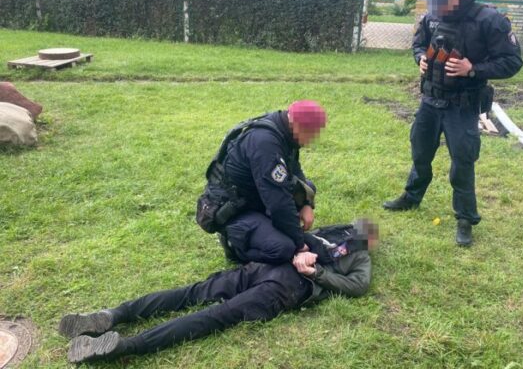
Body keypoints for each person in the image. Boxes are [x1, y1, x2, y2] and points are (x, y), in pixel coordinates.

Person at [59, 220, 377, 363]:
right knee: (208, 305)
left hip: (291, 282)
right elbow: (299, 237)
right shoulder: (336, 235)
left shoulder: (359, 255)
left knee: (208, 304)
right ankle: (117, 324)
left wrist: (316, 272)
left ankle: (119, 332)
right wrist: (300, 250)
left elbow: (358, 286)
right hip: (272, 269)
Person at [383, 0, 523, 246]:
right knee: (420, 151)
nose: (436, 8)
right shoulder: (432, 16)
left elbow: (512, 62)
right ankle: (412, 197)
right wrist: (420, 58)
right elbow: (418, 44)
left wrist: (473, 69)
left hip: (462, 105)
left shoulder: (490, 20)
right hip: (430, 100)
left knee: (462, 162)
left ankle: (465, 218)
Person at [196, 100, 327, 264]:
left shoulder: (285, 130)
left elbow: (294, 170)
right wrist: (300, 245)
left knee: (308, 188)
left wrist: (307, 203)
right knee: (284, 248)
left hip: (256, 195)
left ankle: (267, 229)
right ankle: (234, 246)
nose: (312, 140)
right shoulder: (265, 143)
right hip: (236, 209)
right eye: (311, 134)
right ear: (297, 125)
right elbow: (278, 202)